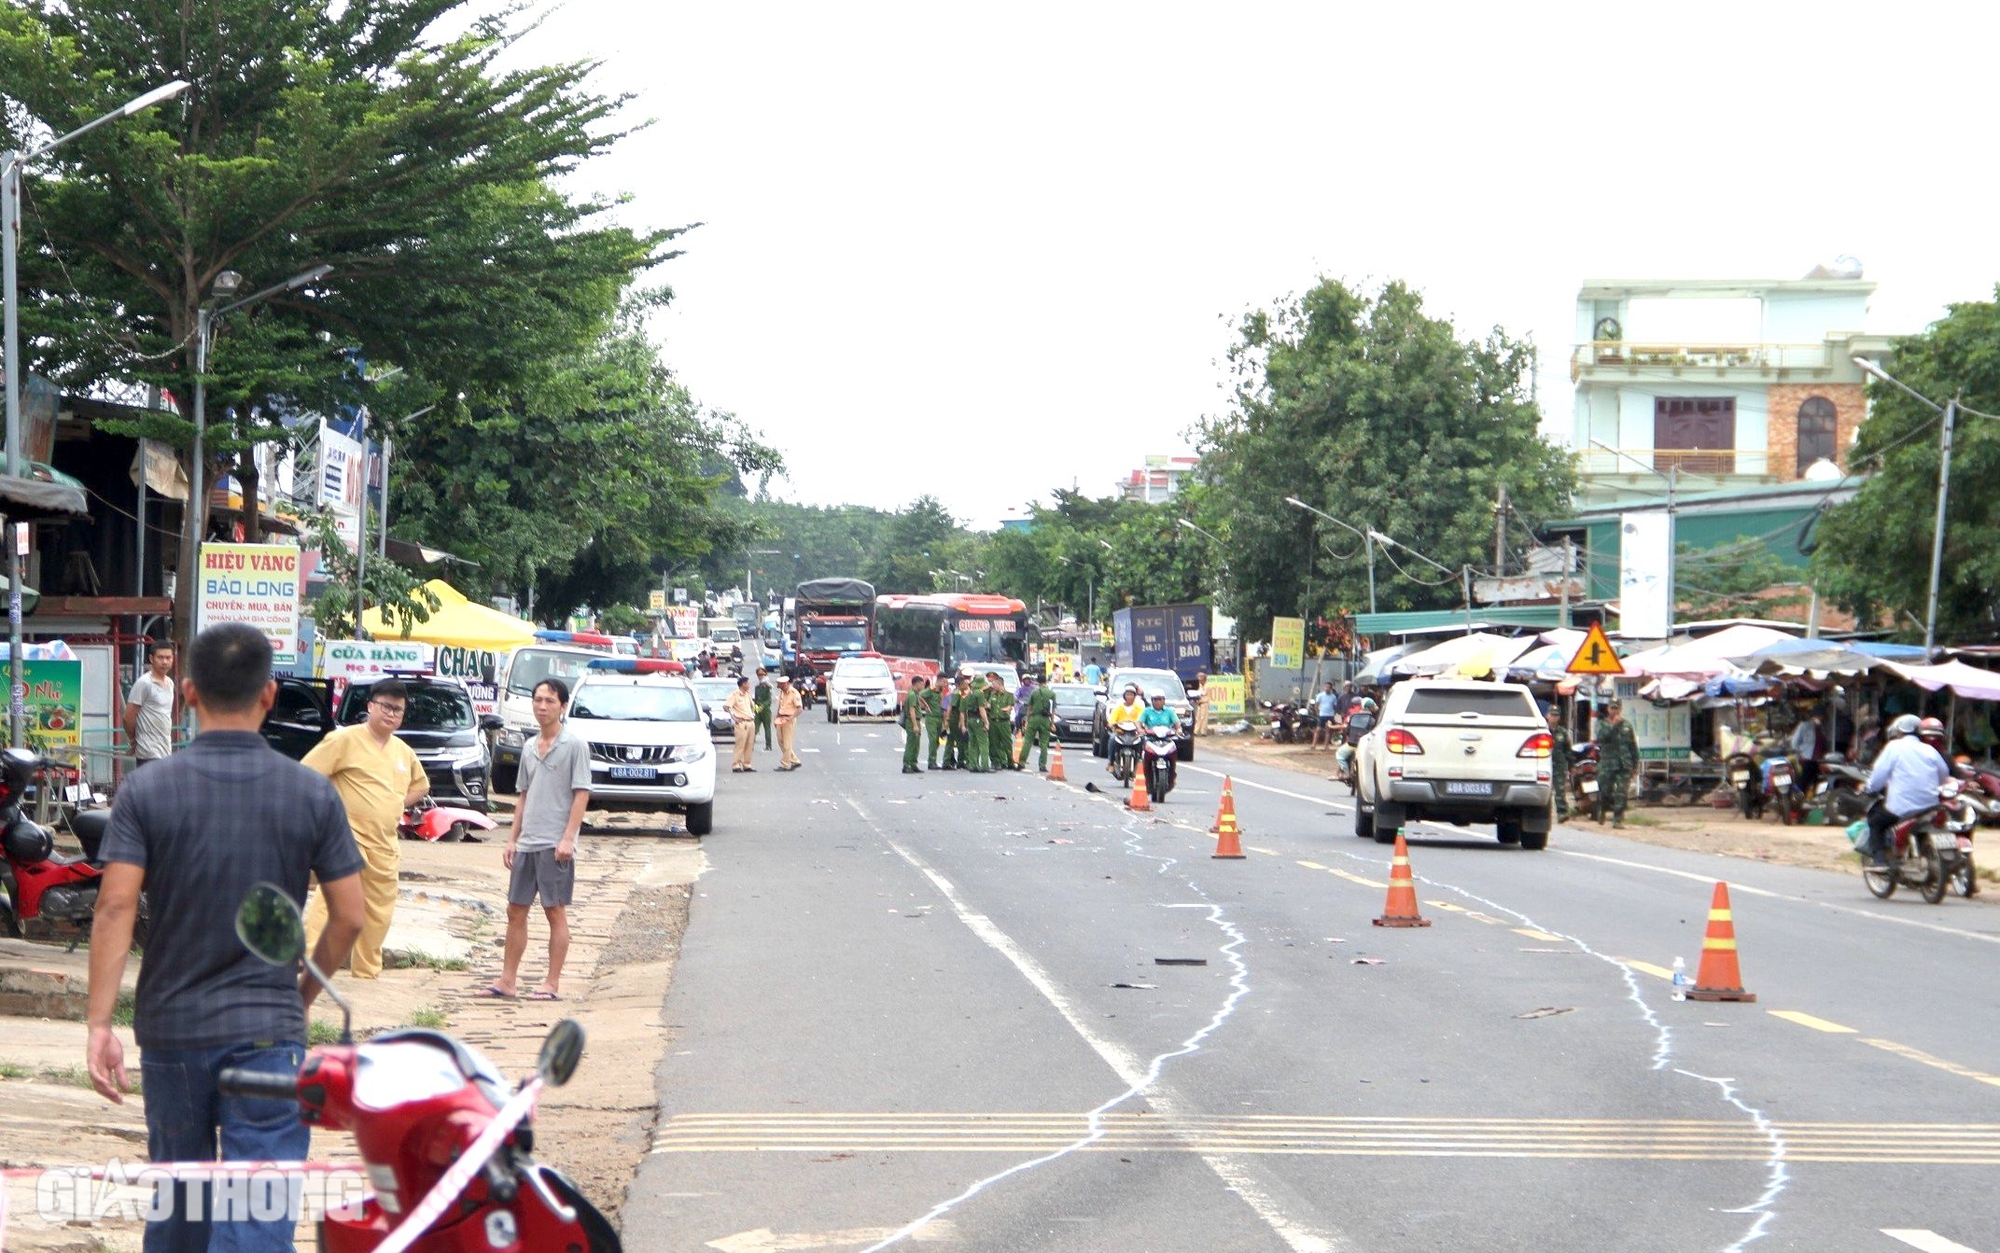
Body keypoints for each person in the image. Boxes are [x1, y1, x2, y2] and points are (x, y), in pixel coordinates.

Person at [86, 623, 366, 1253]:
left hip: (172, 1031)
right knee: (257, 1217)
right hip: (269, 1033)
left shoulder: (147, 789)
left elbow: (116, 905)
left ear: (186, 693)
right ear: (269, 694)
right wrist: (300, 998)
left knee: (180, 1209)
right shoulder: (311, 793)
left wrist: (99, 1024)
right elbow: (350, 914)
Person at [301, 678, 430, 980]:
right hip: (347, 836)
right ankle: (310, 963)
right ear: (370, 706)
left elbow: (421, 785)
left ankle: (366, 971)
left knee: (379, 910)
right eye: (386, 706)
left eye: (398, 710)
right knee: (330, 902)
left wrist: (398, 803)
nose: (391, 714)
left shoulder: (402, 751)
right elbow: (307, 775)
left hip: (384, 843)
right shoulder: (344, 740)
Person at [1864, 713, 1951, 868]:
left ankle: (1879, 860)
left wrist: (1869, 789)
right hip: (1930, 807)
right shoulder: (1929, 750)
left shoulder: (1893, 747)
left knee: (1875, 821)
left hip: (1901, 809)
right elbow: (1944, 774)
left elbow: (1879, 775)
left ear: (1899, 731)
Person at [123, 641, 177, 767]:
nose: (164, 662)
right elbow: (127, 717)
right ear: (151, 659)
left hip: (165, 750)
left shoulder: (169, 683)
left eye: (168, 658)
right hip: (148, 752)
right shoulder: (144, 683)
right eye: (160, 657)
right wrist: (133, 739)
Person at [1594, 701, 1639, 828]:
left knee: (1622, 792)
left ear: (1620, 709)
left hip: (1624, 764)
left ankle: (1617, 819)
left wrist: (1635, 765)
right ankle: (1602, 810)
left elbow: (1632, 746)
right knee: (1605, 791)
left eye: (1617, 708)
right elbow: (1602, 738)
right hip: (1608, 764)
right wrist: (1614, 725)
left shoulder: (1626, 725)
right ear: (1608, 709)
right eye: (1612, 708)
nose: (1614, 711)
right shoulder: (1602, 724)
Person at [1333, 696, 1376, 781]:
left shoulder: (1354, 716)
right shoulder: (1373, 719)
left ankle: (1346, 773)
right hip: (1367, 746)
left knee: (1340, 754)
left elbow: (1347, 728)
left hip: (1353, 743)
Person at [1105, 683, 1144, 774]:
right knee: (1112, 739)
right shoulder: (1118, 708)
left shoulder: (1139, 708)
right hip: (1121, 732)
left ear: (1135, 696)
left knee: (1143, 739)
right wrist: (1112, 724)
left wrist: (1141, 727)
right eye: (1127, 694)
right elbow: (1112, 719)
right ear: (1124, 696)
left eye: (1131, 695)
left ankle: (1140, 762)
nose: (1129, 697)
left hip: (1134, 732)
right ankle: (1110, 763)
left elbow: (1142, 719)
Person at [1019, 673, 1055, 770]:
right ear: (1046, 681)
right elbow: (1053, 710)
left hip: (1034, 719)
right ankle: (1042, 765)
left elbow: (1029, 708)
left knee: (1028, 741)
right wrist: (1052, 723)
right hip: (1045, 719)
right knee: (1044, 743)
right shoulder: (1051, 694)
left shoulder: (1034, 693)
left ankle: (1021, 762)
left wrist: (1027, 720)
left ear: (1037, 682)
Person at [957, 674, 990, 773]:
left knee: (972, 744)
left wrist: (963, 725)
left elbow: (962, 712)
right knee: (983, 743)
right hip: (978, 719)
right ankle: (984, 765)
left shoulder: (968, 694)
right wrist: (986, 722)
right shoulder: (979, 694)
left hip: (970, 720)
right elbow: (981, 709)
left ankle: (973, 765)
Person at [1547, 705, 1572, 822]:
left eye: (1556, 715)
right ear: (1547, 716)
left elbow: (1568, 750)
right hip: (1545, 764)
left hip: (1559, 765)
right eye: (1552, 715)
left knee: (1560, 790)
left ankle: (1562, 813)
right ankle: (1543, 814)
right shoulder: (1543, 731)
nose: (1554, 718)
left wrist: (1571, 766)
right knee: (1544, 790)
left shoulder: (1562, 732)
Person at [726, 675, 756, 772]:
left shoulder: (747, 694)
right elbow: (726, 707)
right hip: (741, 723)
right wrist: (734, 716)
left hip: (750, 722)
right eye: (747, 683)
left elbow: (752, 706)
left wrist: (753, 714)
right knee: (740, 745)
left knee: (749, 744)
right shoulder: (735, 695)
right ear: (743, 684)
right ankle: (736, 765)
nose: (749, 685)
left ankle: (747, 764)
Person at [986, 672, 1015, 771]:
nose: (993, 686)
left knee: (1007, 742)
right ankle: (995, 762)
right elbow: (989, 705)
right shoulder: (992, 695)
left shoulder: (1009, 695)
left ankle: (1009, 761)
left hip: (1004, 722)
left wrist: (1007, 709)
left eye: (994, 684)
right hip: (993, 721)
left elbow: (1010, 706)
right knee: (994, 743)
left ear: (1000, 684)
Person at [774, 674, 804, 770]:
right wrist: (776, 717)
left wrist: (791, 717)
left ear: (786, 684)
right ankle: (795, 760)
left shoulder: (794, 693)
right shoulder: (782, 693)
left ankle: (785, 764)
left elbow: (799, 708)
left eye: (780, 685)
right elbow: (780, 706)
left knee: (787, 743)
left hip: (788, 719)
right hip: (781, 719)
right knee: (780, 741)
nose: (779, 687)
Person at [900, 675, 929, 774]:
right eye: (922, 684)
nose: (923, 686)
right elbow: (912, 710)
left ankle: (913, 764)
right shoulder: (912, 694)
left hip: (916, 720)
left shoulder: (914, 693)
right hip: (912, 721)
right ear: (917, 684)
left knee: (916, 744)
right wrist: (915, 725)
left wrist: (925, 705)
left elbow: (919, 698)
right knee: (911, 744)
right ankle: (907, 764)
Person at [920, 671, 945, 769]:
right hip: (932, 718)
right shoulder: (931, 690)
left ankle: (933, 760)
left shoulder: (940, 691)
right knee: (933, 740)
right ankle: (931, 762)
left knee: (938, 741)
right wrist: (925, 706)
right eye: (943, 681)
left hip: (939, 718)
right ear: (938, 681)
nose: (945, 683)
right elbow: (920, 695)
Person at [1311, 682, 1339, 749]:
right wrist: (1317, 713)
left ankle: (1326, 746)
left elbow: (1335, 706)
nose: (1327, 689)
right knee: (1318, 730)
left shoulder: (1333, 697)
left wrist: (1334, 714)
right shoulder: (1320, 695)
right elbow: (1316, 705)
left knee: (1328, 730)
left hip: (1330, 715)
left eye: (1329, 687)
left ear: (1331, 688)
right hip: (1322, 715)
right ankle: (1313, 745)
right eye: (1326, 687)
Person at [753, 667, 775, 751]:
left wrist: (763, 705)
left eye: (762, 674)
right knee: (754, 728)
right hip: (757, 710)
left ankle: (768, 745)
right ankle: (751, 745)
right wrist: (755, 707)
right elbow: (756, 699)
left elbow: (769, 700)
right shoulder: (757, 687)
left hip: (765, 710)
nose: (761, 676)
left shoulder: (768, 687)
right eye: (759, 675)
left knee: (767, 728)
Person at [1189, 669, 1210, 736]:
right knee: (1198, 718)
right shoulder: (1200, 685)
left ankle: (1203, 732)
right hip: (1199, 704)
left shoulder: (1207, 686)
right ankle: (1196, 731)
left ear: (1204, 679)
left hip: (1204, 703)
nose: (1199, 681)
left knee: (1203, 718)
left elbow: (1202, 694)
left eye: (1200, 679)